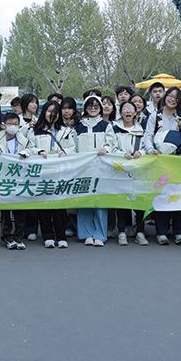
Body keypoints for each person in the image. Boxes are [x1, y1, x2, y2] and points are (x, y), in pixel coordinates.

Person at [144, 87, 181, 244]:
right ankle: (161, 231)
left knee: (179, 194)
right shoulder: (155, 116)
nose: (172, 99)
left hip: (178, 162)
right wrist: (150, 149)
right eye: (170, 96)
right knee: (162, 194)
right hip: (160, 161)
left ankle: (179, 231)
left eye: (176, 98)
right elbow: (148, 135)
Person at [27, 100, 74, 248]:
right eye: (49, 111)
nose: (52, 114)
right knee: (44, 205)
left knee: (60, 206)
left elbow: (73, 148)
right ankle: (47, 236)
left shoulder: (66, 131)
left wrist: (65, 151)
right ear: (44, 112)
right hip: (43, 173)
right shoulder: (35, 130)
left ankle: (61, 236)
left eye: (55, 112)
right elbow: (29, 147)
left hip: (60, 172)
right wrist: (39, 151)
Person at [75, 94, 116, 247]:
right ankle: (86, 233)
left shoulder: (106, 125)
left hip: (101, 168)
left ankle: (100, 234)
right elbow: (73, 146)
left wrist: (106, 149)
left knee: (100, 201)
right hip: (83, 169)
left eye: (96, 106)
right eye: (90, 106)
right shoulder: (78, 126)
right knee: (84, 201)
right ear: (85, 108)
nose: (93, 108)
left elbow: (112, 143)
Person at [0, 112, 32, 250]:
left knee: (20, 209)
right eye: (9, 123)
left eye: (15, 124)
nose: (12, 126)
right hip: (3, 178)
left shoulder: (24, 140)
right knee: (6, 210)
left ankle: (18, 236)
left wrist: (28, 152)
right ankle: (7, 236)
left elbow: (32, 149)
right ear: (3, 125)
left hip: (20, 177)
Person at [110, 100, 145, 245]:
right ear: (121, 112)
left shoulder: (141, 129)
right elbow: (111, 147)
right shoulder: (115, 128)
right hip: (120, 169)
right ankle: (122, 231)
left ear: (136, 112)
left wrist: (141, 152)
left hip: (138, 169)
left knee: (140, 201)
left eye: (131, 109)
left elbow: (147, 146)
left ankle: (140, 231)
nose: (128, 111)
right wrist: (122, 154)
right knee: (122, 200)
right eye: (125, 108)